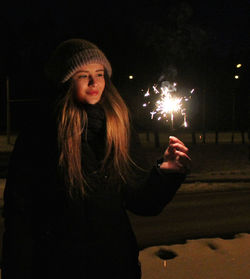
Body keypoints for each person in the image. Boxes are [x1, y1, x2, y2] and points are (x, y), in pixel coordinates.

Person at [1, 39, 191, 279]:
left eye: (99, 74)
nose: (94, 82)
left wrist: (166, 173)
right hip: (55, 266)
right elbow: (20, 214)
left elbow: (141, 201)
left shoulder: (118, 127)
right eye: (83, 75)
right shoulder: (41, 133)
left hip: (114, 265)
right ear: (65, 81)